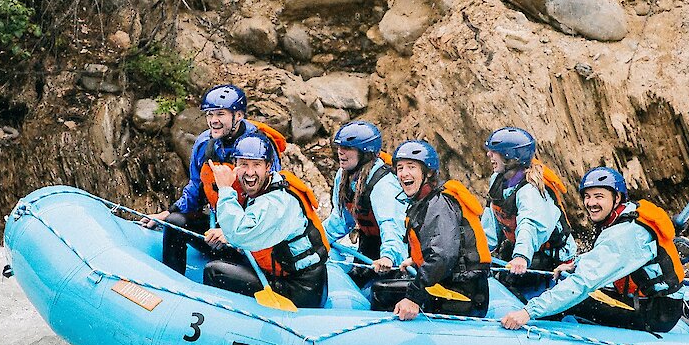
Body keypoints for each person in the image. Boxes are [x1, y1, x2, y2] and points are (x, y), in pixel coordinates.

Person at [500, 166, 686, 333]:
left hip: (656, 314)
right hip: (653, 303)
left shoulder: (626, 233)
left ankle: (541, 344)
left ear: (617, 198)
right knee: (572, 290)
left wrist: (527, 312)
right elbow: (604, 254)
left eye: (599, 196)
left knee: (574, 301)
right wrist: (575, 264)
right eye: (587, 197)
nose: (591, 203)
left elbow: (582, 283)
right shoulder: (625, 217)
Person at [143, 84, 285, 275]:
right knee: (175, 221)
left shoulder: (259, 147)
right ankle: (172, 284)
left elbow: (271, 203)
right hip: (216, 229)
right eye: (210, 115)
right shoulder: (204, 144)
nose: (213, 121)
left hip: (250, 237)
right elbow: (195, 187)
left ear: (239, 116)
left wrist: (233, 234)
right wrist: (168, 212)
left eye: (220, 114)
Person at [201, 134, 329, 309]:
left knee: (214, 271)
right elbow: (255, 227)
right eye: (243, 164)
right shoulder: (265, 188)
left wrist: (225, 190)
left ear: (268, 167)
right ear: (236, 166)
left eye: (256, 165)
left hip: (301, 289)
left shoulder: (277, 201)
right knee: (226, 253)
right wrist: (226, 234)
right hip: (291, 275)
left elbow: (241, 234)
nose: (250, 172)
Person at [370, 140, 491, 320]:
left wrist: (413, 298)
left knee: (382, 293)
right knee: (384, 288)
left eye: (411, 167)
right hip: (451, 285)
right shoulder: (426, 201)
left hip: (462, 294)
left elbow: (443, 255)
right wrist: (416, 260)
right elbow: (445, 246)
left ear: (428, 173)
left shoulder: (439, 204)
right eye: (400, 168)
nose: (404, 173)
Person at [480, 126, 576, 277]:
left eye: (494, 152)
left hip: (553, 257)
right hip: (525, 249)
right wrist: (478, 251)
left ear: (510, 157)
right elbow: (490, 221)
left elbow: (530, 223)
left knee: (513, 278)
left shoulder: (531, 189)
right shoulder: (497, 180)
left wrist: (521, 256)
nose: (489, 154)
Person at [324, 120, 409, 279]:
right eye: (339, 147)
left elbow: (391, 225)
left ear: (365, 153)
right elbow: (341, 220)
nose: (340, 152)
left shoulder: (384, 184)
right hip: (368, 244)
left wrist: (388, 257)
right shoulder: (343, 177)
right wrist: (315, 239)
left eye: (348, 148)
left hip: (396, 252)